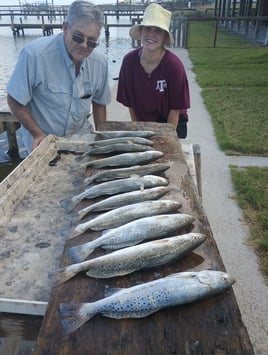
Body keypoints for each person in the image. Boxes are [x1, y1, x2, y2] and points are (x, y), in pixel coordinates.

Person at [6, 1, 111, 154]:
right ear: (65, 28)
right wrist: (37, 133)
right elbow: (14, 100)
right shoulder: (34, 55)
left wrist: (102, 138)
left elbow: (100, 103)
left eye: (92, 41)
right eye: (78, 37)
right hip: (44, 143)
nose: (84, 45)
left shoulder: (100, 63)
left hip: (81, 139)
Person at [116, 3, 190, 139]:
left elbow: (175, 109)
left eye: (158, 30)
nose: (151, 34)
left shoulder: (174, 66)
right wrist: (138, 130)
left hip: (173, 123)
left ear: (164, 37)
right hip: (143, 122)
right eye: (148, 28)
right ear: (141, 31)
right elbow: (130, 104)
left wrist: (167, 139)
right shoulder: (129, 62)